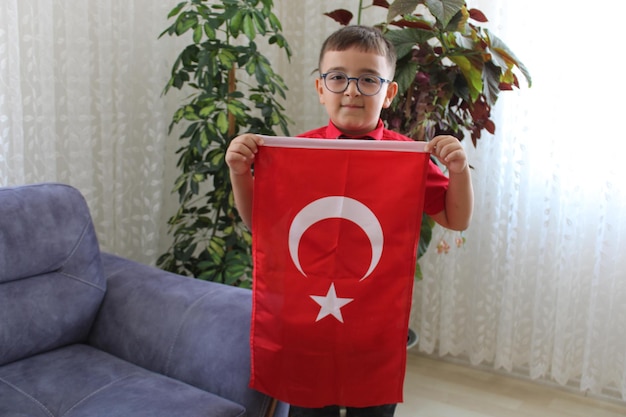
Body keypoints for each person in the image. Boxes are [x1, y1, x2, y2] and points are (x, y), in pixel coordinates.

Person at [226, 25, 473, 417]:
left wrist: (459, 170)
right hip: (309, 324)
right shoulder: (295, 153)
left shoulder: (407, 158)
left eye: (369, 79)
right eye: (338, 78)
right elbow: (262, 225)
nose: (352, 90)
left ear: (390, 92)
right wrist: (240, 172)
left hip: (373, 329)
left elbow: (455, 219)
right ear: (320, 88)